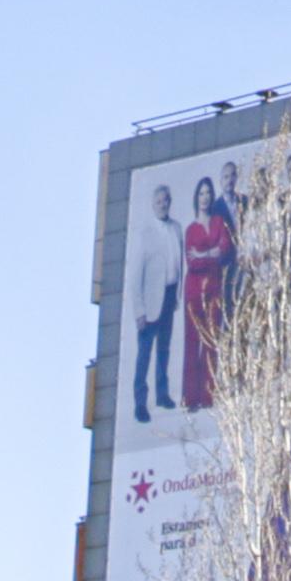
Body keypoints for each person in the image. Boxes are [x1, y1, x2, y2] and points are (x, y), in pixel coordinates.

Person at [179, 170, 240, 412]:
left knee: (212, 340)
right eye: (201, 193)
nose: (205, 197)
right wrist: (209, 254)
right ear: (196, 197)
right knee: (192, 342)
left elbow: (224, 249)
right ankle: (190, 397)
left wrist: (205, 254)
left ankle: (208, 395)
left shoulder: (218, 223)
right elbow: (192, 262)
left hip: (214, 288)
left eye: (208, 193)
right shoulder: (191, 229)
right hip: (194, 291)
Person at [125, 184, 182, 418]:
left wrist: (177, 295)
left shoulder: (177, 228)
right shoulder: (144, 233)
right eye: (159, 201)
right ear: (152, 204)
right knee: (145, 352)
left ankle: (162, 394)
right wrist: (138, 310)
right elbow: (134, 275)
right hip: (150, 301)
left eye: (166, 200)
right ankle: (140, 402)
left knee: (164, 348)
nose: (163, 204)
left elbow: (180, 264)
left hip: (169, 294)